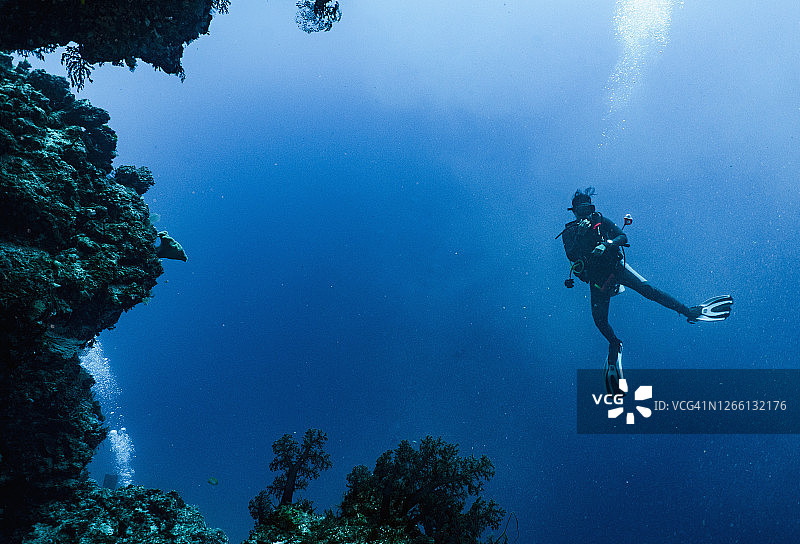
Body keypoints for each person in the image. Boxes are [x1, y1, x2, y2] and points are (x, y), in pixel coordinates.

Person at [557, 187, 732, 395]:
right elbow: (571, 254)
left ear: (592, 208)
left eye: (589, 208)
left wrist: (607, 243)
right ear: (574, 212)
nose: (585, 213)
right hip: (597, 281)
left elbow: (622, 236)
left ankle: (691, 312)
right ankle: (615, 346)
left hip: (615, 269)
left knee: (648, 290)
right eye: (581, 209)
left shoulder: (601, 221)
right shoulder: (569, 232)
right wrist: (580, 233)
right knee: (599, 321)